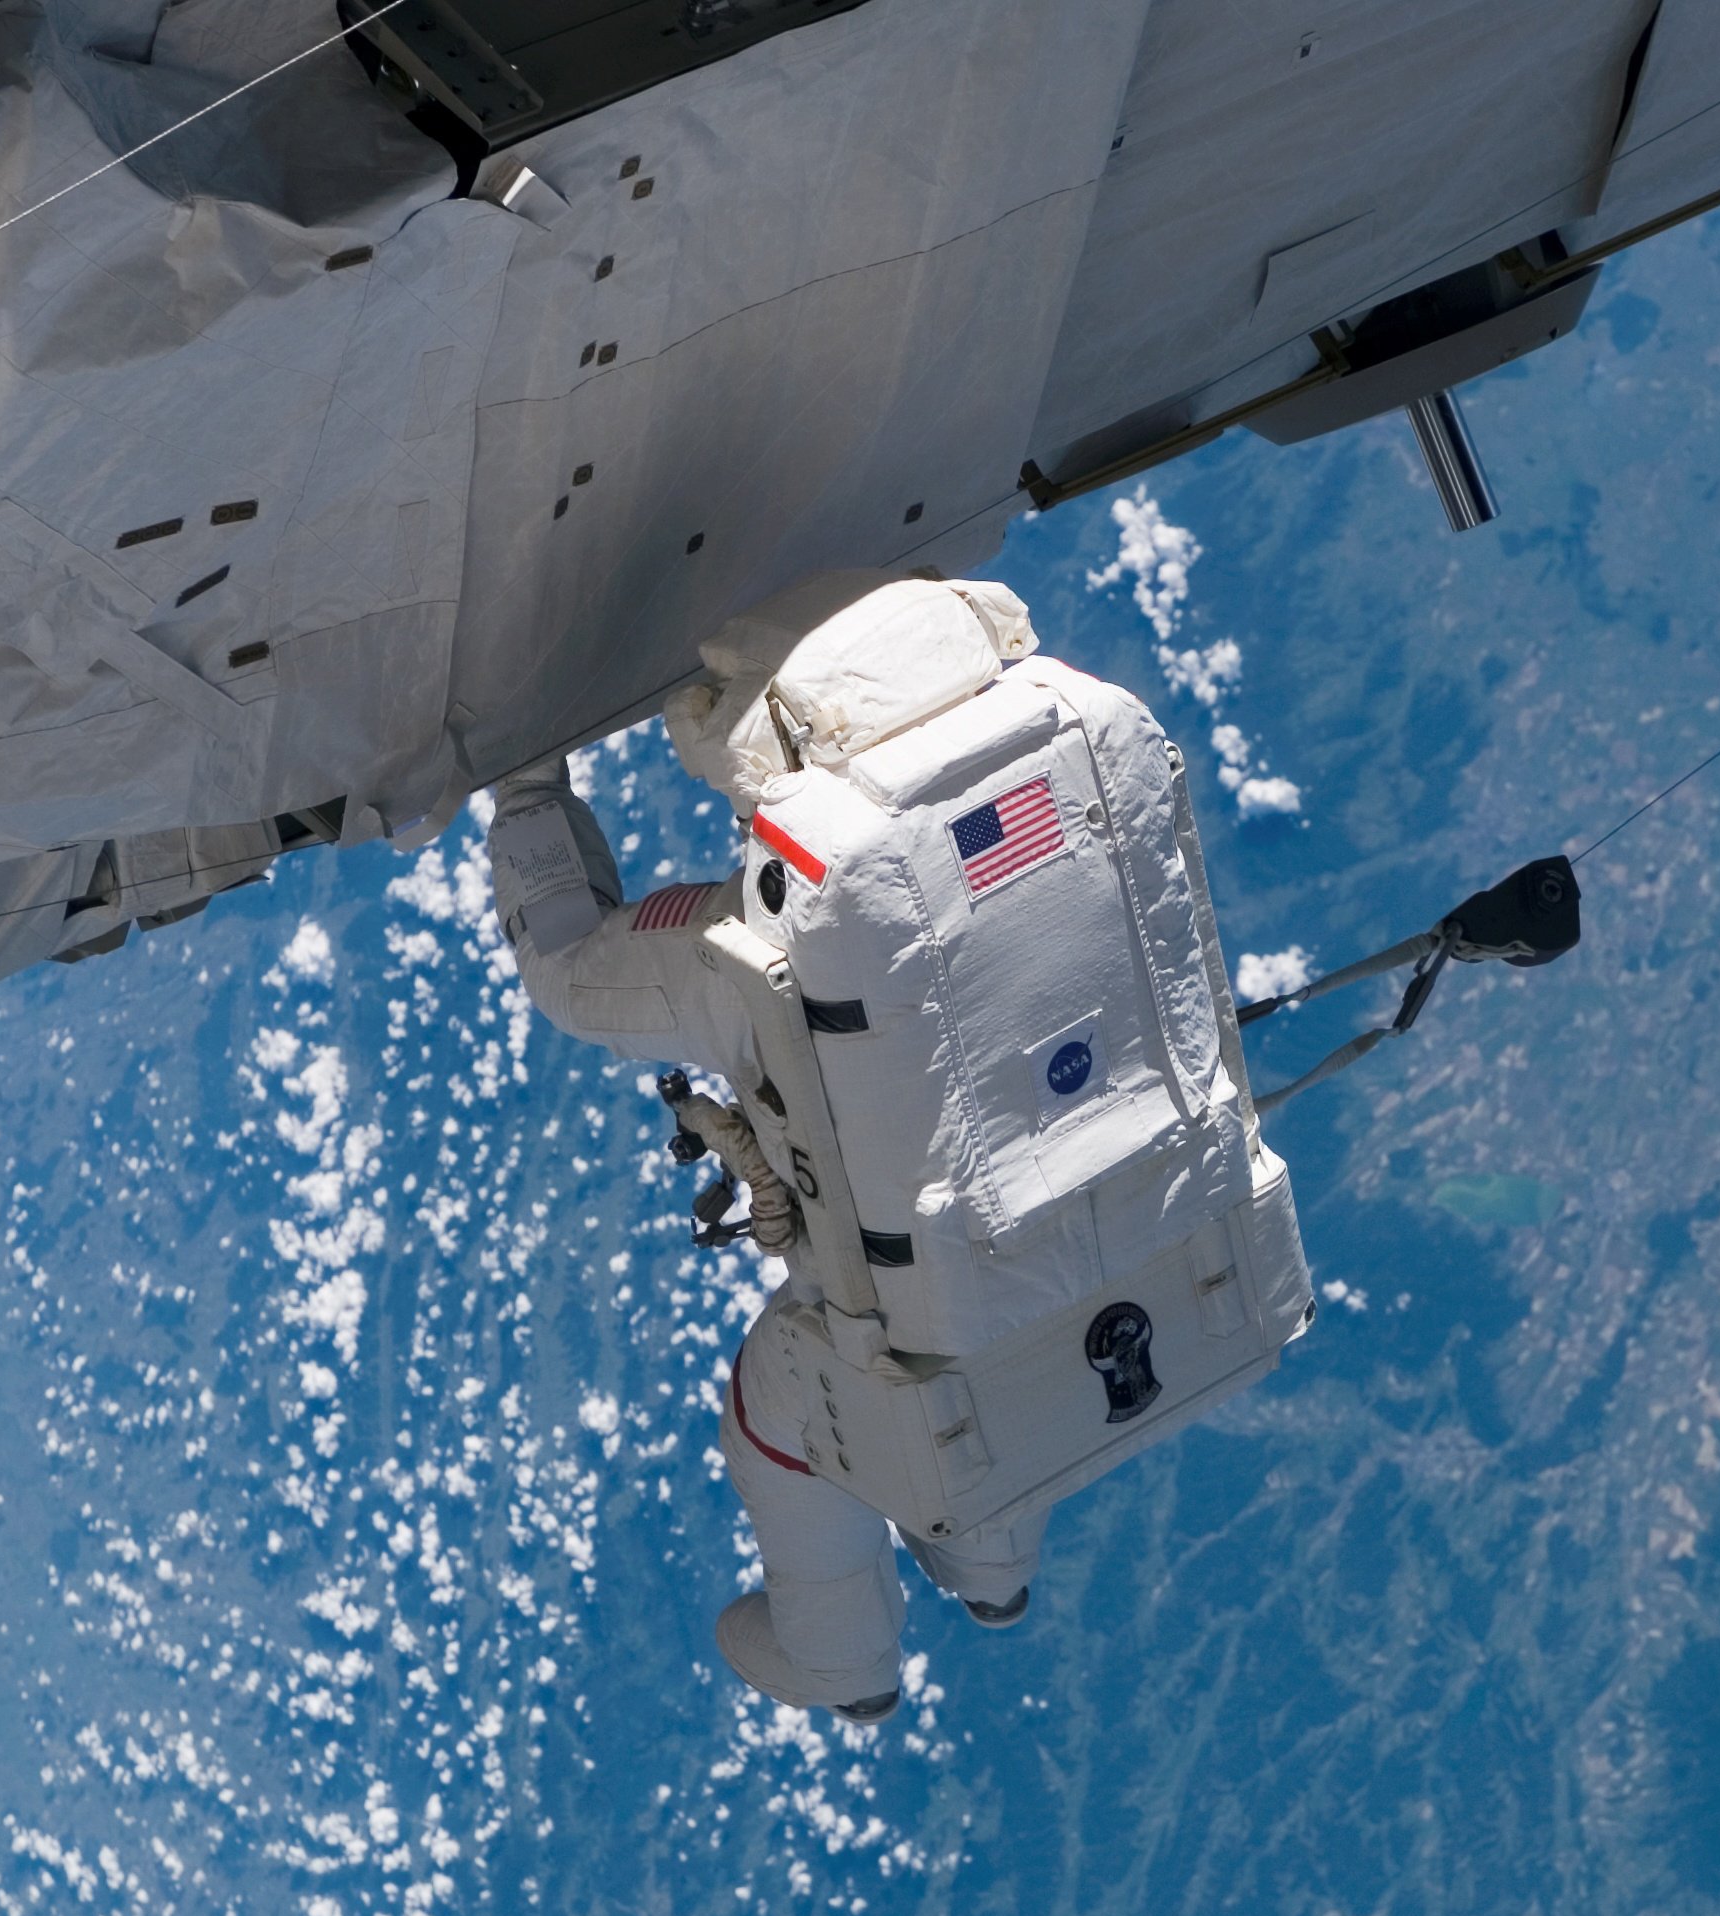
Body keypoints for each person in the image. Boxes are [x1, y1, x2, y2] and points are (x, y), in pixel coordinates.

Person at [489, 571, 1304, 1722]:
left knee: (799, 1402)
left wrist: (521, 766)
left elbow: (576, 969)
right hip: (1136, 1229)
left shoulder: (802, 919)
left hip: (1073, 1264)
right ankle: (987, 1575)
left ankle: (843, 1657)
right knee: (979, 1324)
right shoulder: (1084, 742)